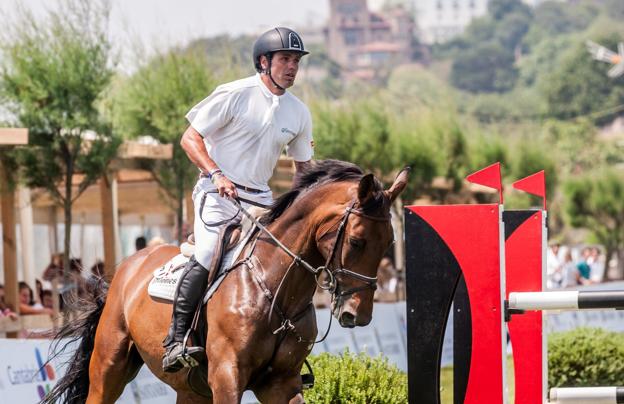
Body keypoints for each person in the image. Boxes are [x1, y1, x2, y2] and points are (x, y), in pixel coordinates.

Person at [162, 27, 314, 372]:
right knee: (206, 253)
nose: (292, 67)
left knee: (288, 260)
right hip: (216, 192)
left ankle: (288, 352)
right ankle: (176, 339)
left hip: (261, 198)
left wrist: (299, 205)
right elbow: (190, 138)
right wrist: (216, 174)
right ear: (264, 61)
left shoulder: (299, 112)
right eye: (285, 59)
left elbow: (304, 167)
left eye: (296, 61)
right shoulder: (234, 93)